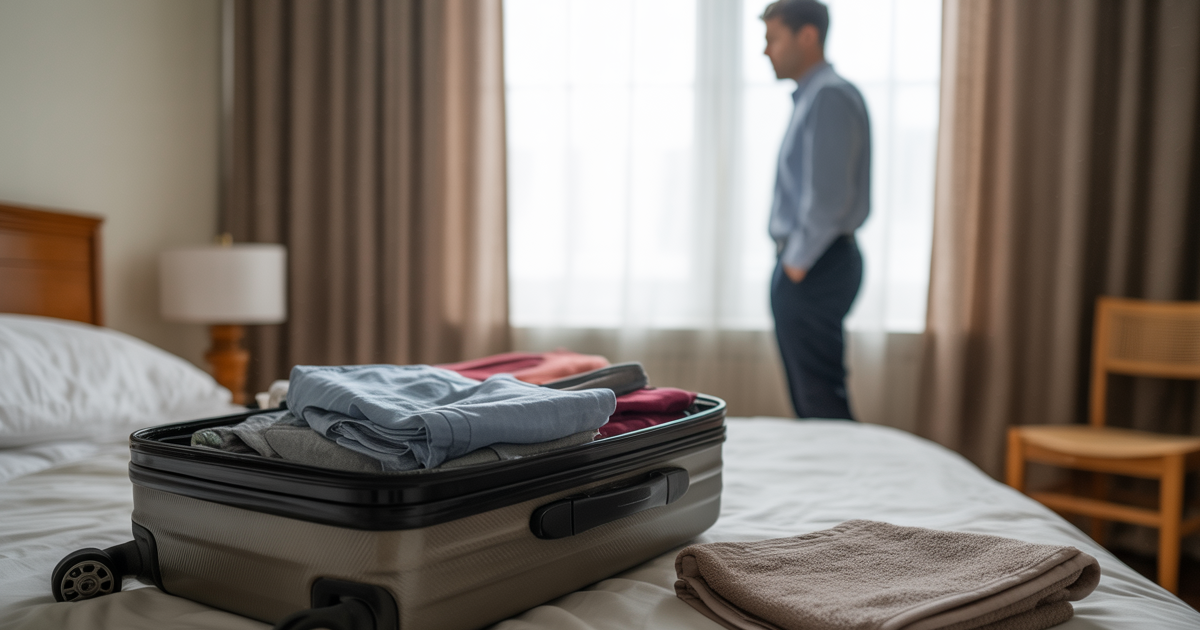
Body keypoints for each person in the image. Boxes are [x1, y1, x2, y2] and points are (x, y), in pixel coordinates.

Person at [761, 0, 870, 420]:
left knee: (820, 403)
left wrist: (796, 265)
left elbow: (828, 197)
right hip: (812, 263)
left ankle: (842, 466)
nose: (766, 51)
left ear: (807, 36)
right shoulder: (815, 96)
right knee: (812, 404)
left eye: (773, 39)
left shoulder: (828, 96)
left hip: (816, 265)